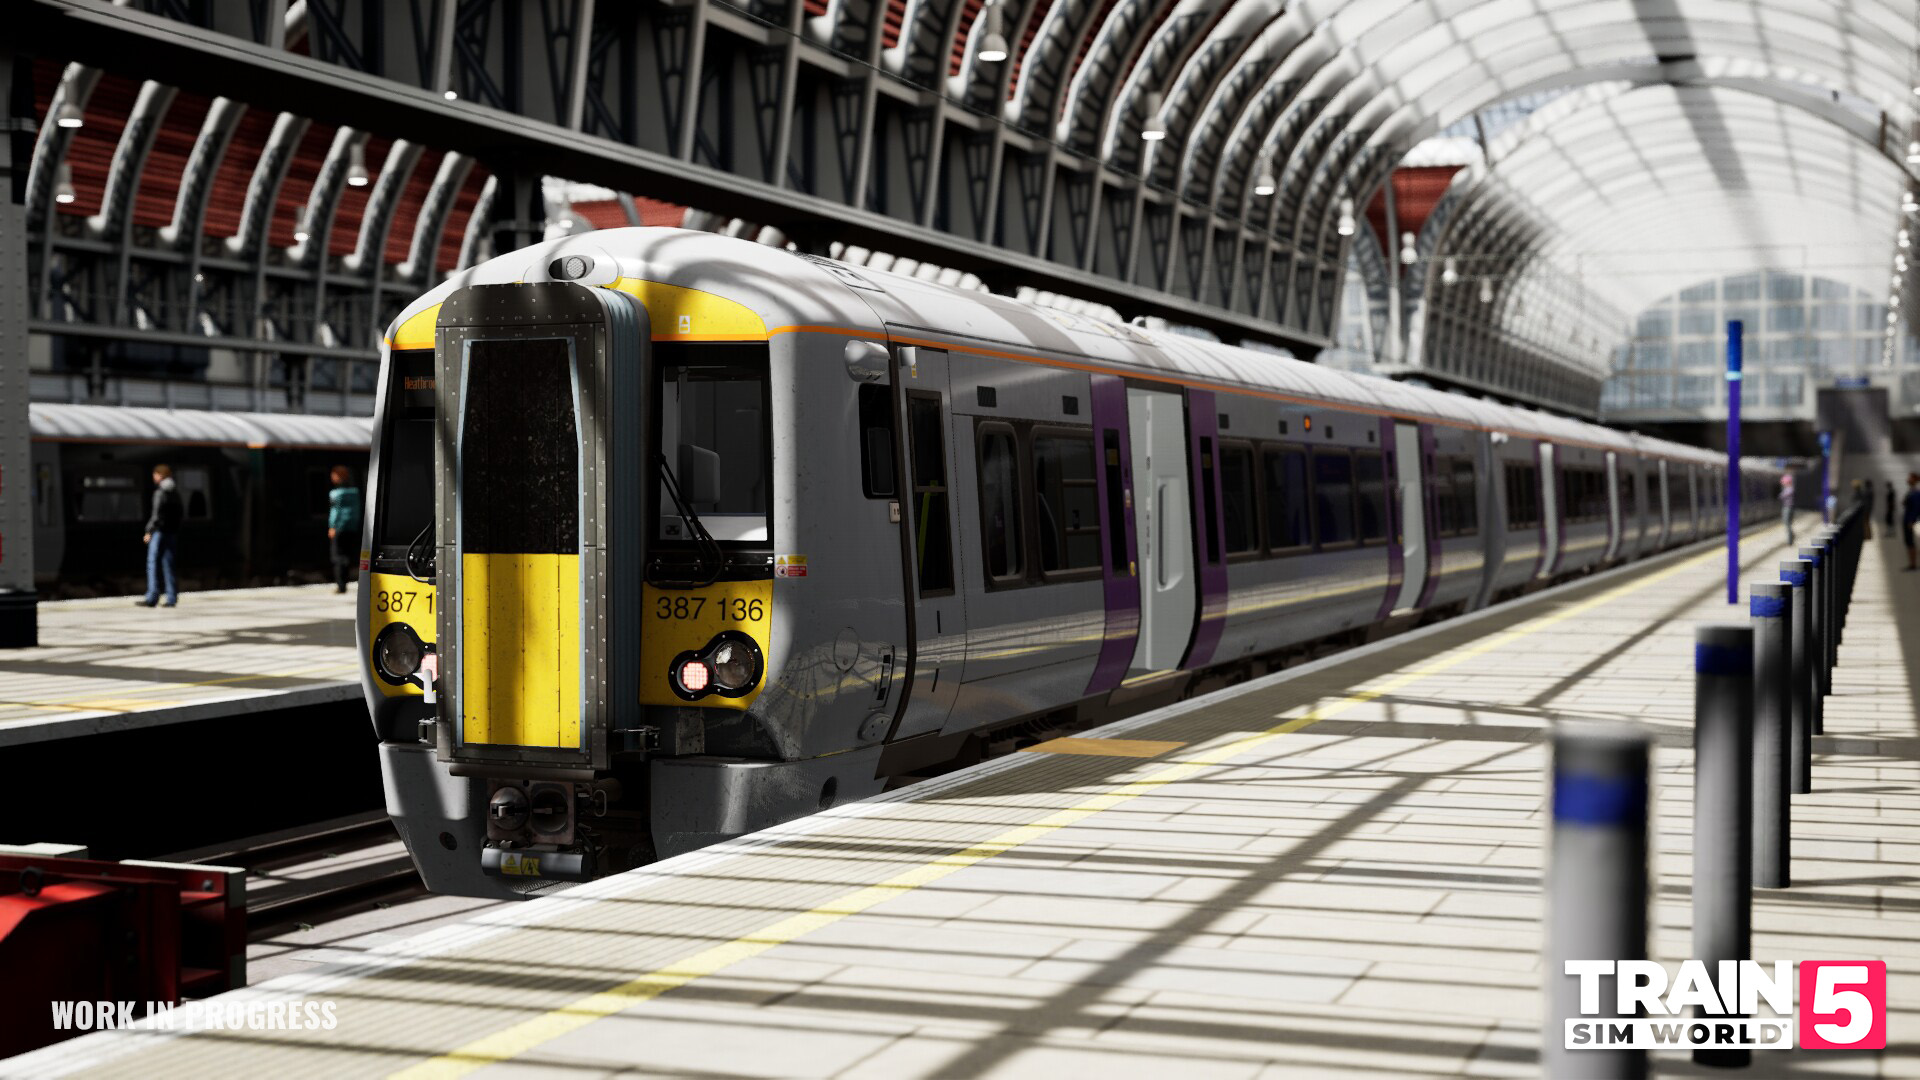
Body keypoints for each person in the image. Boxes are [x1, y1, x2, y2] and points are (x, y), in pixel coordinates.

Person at [139, 464, 183, 608]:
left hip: (159, 531)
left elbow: (156, 515)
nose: (154, 477)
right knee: (168, 563)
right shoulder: (175, 493)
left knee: (152, 563)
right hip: (172, 532)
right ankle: (171, 597)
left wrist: (148, 531)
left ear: (160, 475)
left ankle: (152, 596)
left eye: (155, 474)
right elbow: (180, 513)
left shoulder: (160, 493)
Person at [327, 465, 363, 594]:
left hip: (339, 528)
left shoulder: (336, 494)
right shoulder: (355, 492)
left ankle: (341, 584)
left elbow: (335, 512)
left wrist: (332, 526)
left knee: (337, 555)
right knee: (348, 555)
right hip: (352, 526)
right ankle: (346, 580)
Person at [1905, 473, 1920, 572]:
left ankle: (1913, 564)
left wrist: (1911, 520)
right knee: (1909, 541)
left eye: (1910, 477)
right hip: (1908, 518)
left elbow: (1916, 508)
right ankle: (1912, 563)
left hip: (1910, 520)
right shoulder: (1911, 491)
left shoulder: (1915, 492)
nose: (1908, 479)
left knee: (1910, 541)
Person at [1779, 471, 1796, 546]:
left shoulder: (1789, 489)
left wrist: (1782, 493)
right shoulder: (1789, 489)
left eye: (1783, 482)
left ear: (1787, 482)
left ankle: (1790, 540)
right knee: (1788, 523)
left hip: (1787, 508)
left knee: (1787, 523)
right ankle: (1791, 537)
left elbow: (1781, 496)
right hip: (1789, 507)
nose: (1782, 483)